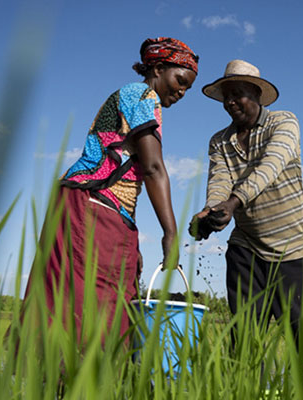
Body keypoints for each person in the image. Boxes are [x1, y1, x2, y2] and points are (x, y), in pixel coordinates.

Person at [23, 37, 198, 343]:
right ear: (157, 69)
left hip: (100, 204)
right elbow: (153, 168)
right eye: (180, 80)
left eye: (188, 87)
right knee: (90, 303)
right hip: (91, 201)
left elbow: (128, 178)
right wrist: (170, 233)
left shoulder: (138, 99)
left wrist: (131, 234)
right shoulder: (141, 94)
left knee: (114, 294)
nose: (182, 91)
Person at [189, 60, 303, 346]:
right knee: (245, 338)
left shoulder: (283, 122)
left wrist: (233, 203)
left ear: (258, 95)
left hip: (292, 249)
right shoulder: (220, 141)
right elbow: (220, 181)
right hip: (246, 247)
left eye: (239, 94)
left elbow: (269, 168)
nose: (231, 102)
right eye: (226, 96)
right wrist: (211, 212)